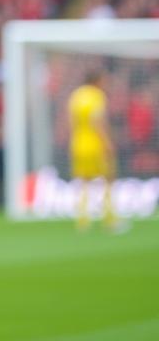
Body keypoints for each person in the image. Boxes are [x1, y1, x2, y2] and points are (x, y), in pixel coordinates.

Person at [68, 71, 120, 231]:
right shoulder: (97, 96)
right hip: (96, 144)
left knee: (83, 181)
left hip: (78, 143)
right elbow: (97, 121)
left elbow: (71, 121)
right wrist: (107, 142)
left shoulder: (76, 96)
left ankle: (82, 221)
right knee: (108, 179)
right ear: (97, 81)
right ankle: (110, 219)